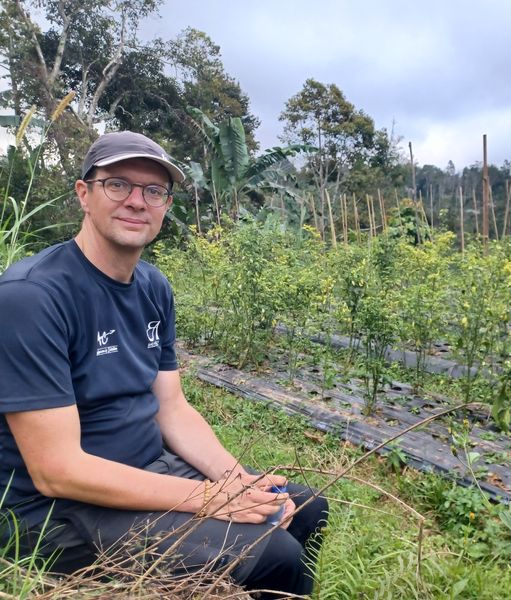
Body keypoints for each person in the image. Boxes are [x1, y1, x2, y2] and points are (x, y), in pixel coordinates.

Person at [0, 131, 327, 597]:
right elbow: (58, 470)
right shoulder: (32, 298)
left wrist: (236, 480)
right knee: (275, 555)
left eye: (153, 191)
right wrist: (208, 499)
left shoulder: (153, 287)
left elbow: (171, 407)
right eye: (118, 184)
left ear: (165, 205)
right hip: (57, 508)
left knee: (305, 506)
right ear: (83, 194)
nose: (137, 201)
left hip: (147, 469)